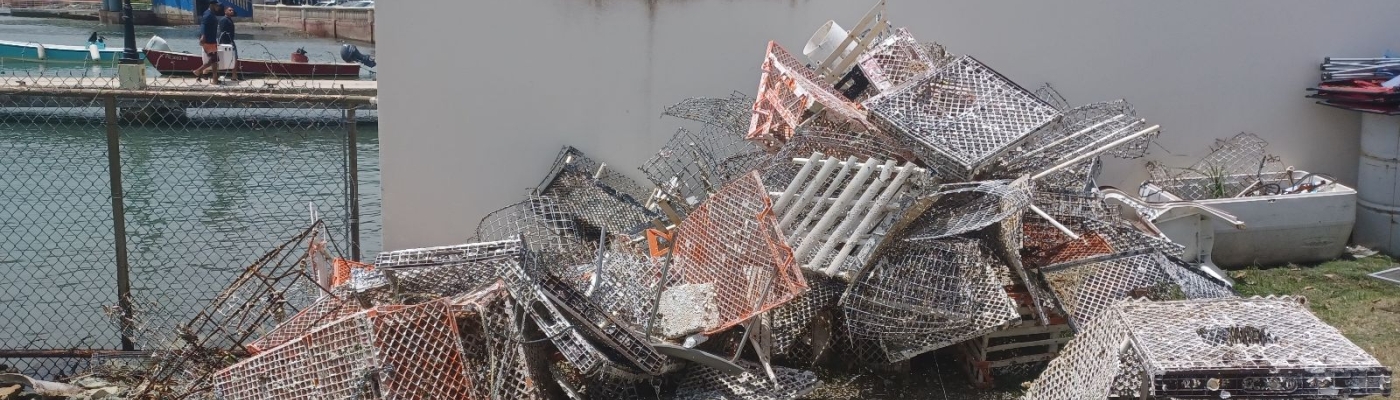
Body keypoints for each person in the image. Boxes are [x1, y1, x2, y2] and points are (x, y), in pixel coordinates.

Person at [193, 2, 221, 84]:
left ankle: (214, 79)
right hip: (208, 40)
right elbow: (203, 25)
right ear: (212, 5)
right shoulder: (208, 14)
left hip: (212, 40)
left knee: (214, 60)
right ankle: (199, 71)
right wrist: (203, 36)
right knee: (214, 59)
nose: (218, 7)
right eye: (217, 5)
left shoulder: (211, 14)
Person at [217, 6, 238, 81]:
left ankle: (234, 76)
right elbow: (221, 32)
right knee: (232, 57)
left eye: (232, 10)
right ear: (225, 11)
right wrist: (221, 43)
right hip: (227, 42)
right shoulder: (224, 20)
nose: (232, 11)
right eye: (230, 10)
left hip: (230, 41)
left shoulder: (229, 20)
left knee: (235, 58)